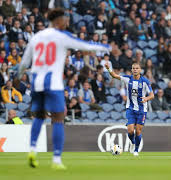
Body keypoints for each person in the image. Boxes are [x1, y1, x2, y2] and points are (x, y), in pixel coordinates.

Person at [18, 8, 111, 170]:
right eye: (65, 20)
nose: (67, 23)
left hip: (36, 82)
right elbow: (84, 45)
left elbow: (25, 62)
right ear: (58, 21)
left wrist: (19, 75)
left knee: (39, 117)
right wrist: (106, 47)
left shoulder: (36, 37)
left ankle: (32, 149)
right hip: (53, 83)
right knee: (58, 119)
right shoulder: (62, 36)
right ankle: (56, 160)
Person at [105, 62, 154, 156]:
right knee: (131, 130)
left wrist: (146, 98)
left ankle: (136, 150)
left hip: (142, 110)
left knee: (138, 131)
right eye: (133, 68)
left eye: (137, 68)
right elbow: (114, 75)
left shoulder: (145, 81)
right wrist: (108, 69)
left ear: (140, 70)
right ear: (131, 70)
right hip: (130, 108)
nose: (135, 69)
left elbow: (152, 95)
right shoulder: (127, 79)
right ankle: (133, 142)